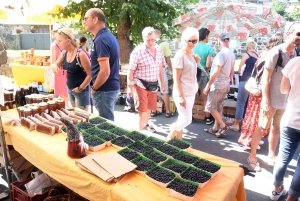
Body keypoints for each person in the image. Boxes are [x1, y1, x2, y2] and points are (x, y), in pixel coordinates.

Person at [247, 22, 300, 171]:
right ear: (288, 34)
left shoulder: (295, 53)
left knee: (276, 128)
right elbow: (266, 77)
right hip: (270, 99)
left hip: (285, 101)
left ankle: (271, 155)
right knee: (262, 127)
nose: (299, 38)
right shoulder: (276, 52)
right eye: (298, 34)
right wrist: (265, 100)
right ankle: (252, 156)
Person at [238, 36, 284, 150]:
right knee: (256, 118)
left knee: (256, 117)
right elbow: (264, 75)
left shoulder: (265, 53)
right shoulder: (269, 55)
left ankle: (253, 139)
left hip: (259, 91)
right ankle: (250, 140)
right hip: (260, 91)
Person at [269, 56, 300, 201]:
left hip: (291, 117)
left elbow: (284, 89)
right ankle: (292, 198)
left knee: (283, 156)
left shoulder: (295, 62)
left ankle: (276, 190)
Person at [83, 8, 120, 121]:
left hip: (104, 90)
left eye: (86, 19)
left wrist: (94, 88)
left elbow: (105, 71)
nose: (84, 22)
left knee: (106, 127)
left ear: (95, 19)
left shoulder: (101, 39)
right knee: (107, 124)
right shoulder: (106, 36)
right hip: (108, 88)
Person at [127, 27, 166, 132]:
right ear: (143, 38)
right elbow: (130, 70)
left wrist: (163, 82)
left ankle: (145, 125)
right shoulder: (138, 51)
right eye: (148, 40)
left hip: (153, 84)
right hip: (140, 83)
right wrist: (129, 87)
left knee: (149, 107)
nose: (151, 42)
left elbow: (160, 67)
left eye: (153, 39)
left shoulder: (158, 49)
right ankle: (138, 132)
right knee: (142, 109)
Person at [166, 27, 200, 140]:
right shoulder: (180, 55)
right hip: (183, 91)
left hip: (191, 91)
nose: (191, 43)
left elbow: (190, 72)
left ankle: (179, 141)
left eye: (194, 41)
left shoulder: (192, 54)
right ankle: (168, 139)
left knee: (182, 117)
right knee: (187, 119)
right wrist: (180, 96)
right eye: (188, 40)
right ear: (184, 40)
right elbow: (176, 78)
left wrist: (196, 61)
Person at [203, 32, 235, 138]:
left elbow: (216, 72)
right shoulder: (231, 53)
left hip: (217, 85)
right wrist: (230, 79)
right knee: (219, 107)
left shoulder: (221, 54)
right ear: (228, 41)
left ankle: (223, 126)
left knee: (211, 108)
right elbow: (232, 69)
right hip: (225, 84)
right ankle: (215, 128)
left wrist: (208, 85)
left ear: (219, 42)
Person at [51, 28, 91, 111]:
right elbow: (55, 64)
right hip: (70, 89)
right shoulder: (64, 53)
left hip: (81, 91)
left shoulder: (80, 54)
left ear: (68, 41)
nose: (57, 43)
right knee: (74, 115)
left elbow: (90, 75)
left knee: (82, 117)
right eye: (57, 41)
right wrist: (54, 66)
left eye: (60, 41)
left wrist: (80, 88)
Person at [230, 41, 258, 132]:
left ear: (247, 47)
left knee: (240, 102)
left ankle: (236, 124)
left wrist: (238, 73)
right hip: (254, 82)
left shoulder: (246, 54)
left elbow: (240, 67)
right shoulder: (258, 56)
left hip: (245, 80)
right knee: (248, 103)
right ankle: (246, 125)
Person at [150, 28, 175, 118]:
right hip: (161, 69)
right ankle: (168, 111)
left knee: (153, 90)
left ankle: (153, 111)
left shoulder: (150, 43)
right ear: (160, 34)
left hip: (151, 70)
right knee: (165, 91)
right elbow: (168, 59)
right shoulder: (164, 44)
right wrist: (171, 69)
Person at [193, 28, 214, 125]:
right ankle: (208, 118)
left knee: (192, 95)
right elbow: (208, 65)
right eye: (208, 35)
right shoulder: (209, 49)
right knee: (205, 96)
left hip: (193, 73)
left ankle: (190, 116)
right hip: (203, 73)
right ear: (206, 36)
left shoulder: (193, 47)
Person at [50, 23, 68, 106]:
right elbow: (53, 63)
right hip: (60, 73)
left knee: (66, 95)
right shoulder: (54, 46)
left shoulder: (65, 43)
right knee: (63, 95)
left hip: (67, 72)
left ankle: (63, 110)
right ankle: (64, 111)